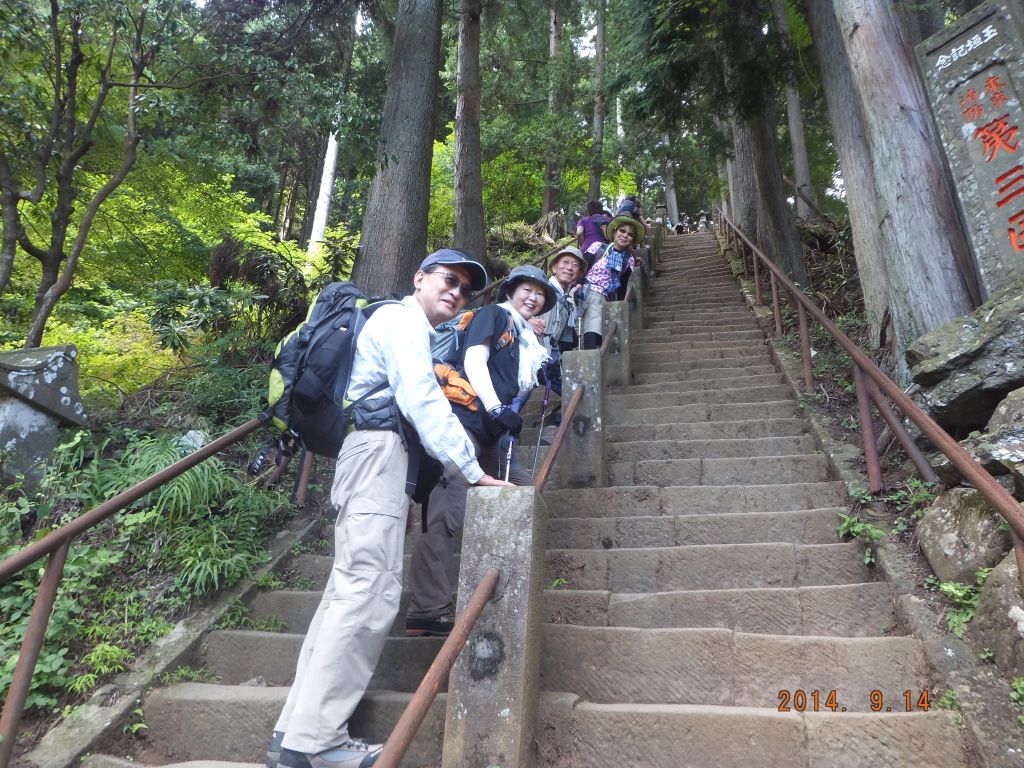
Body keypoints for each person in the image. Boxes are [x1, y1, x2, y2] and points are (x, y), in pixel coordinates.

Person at [271, 250, 514, 768]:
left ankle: (297, 732)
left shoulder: (403, 326)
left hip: (372, 454)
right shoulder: (400, 320)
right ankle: (314, 743)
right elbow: (422, 397)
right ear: (419, 278)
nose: (457, 292)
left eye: (466, 290)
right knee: (368, 591)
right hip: (378, 452)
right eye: (448, 280)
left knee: (348, 590)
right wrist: (473, 471)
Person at [405, 265, 553, 638]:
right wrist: (496, 408)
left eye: (540, 294)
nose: (533, 298)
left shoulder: (526, 341)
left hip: (489, 435)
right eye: (527, 290)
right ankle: (427, 610)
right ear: (512, 291)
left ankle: (507, 578)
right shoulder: (494, 315)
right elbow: (473, 360)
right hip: (462, 424)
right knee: (444, 515)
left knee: (524, 492)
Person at [579, 213, 645, 350]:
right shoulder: (598, 247)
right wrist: (577, 285)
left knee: (594, 325)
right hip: (584, 289)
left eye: (630, 234)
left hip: (603, 296)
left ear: (632, 241)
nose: (625, 235)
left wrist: (619, 307)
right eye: (622, 231)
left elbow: (623, 286)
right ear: (615, 232)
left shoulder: (628, 260)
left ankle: (591, 361)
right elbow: (582, 266)